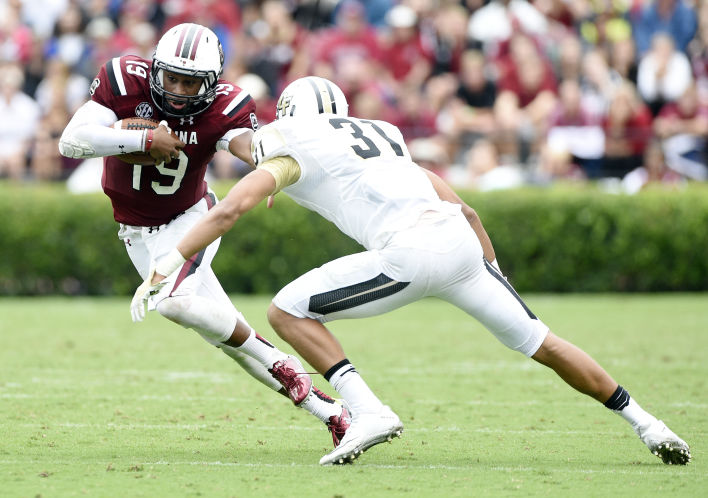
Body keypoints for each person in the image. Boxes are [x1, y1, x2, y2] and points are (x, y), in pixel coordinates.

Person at [134, 76, 692, 466]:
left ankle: (367, 409)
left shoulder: (291, 140)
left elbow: (231, 208)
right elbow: (465, 208)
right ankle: (649, 423)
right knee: (544, 341)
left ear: (290, 115)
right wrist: (494, 275)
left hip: (409, 252)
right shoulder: (384, 133)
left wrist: (170, 262)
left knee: (285, 310)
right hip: (461, 244)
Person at [58, 24, 350, 447]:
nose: (177, 90)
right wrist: (141, 138)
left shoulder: (225, 106)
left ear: (211, 84)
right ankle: (335, 413)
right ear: (156, 68)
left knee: (174, 303)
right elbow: (71, 142)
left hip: (191, 218)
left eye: (190, 82)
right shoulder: (123, 78)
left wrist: (273, 174)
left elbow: (254, 150)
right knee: (228, 340)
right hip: (137, 234)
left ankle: (280, 360)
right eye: (171, 77)